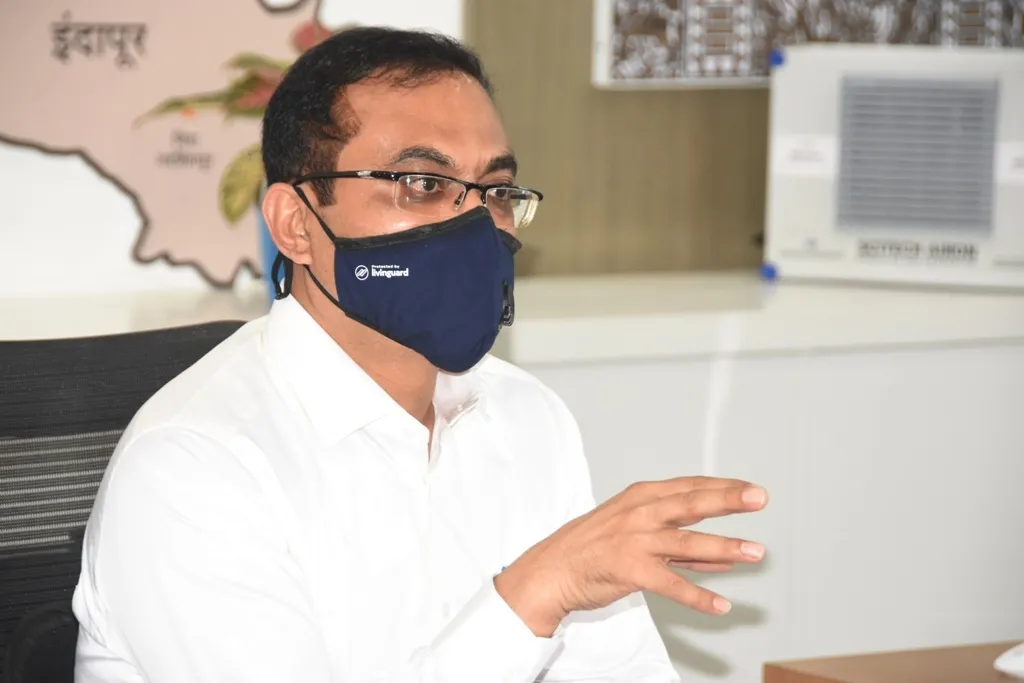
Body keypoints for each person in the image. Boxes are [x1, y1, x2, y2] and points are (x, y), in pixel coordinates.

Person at [72, 26, 768, 683]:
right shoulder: (196, 464)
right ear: (296, 224)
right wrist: (537, 590)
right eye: (424, 184)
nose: (475, 224)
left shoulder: (526, 416)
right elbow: (547, 596)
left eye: (496, 191)